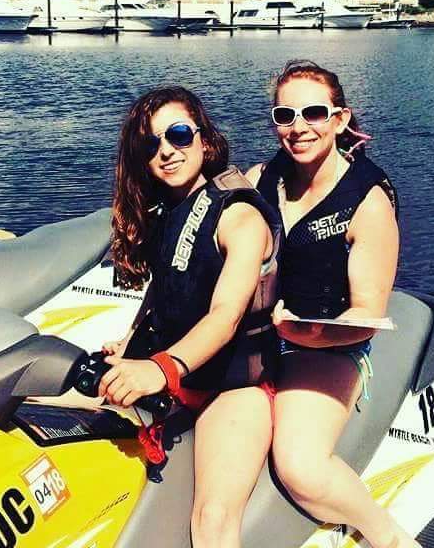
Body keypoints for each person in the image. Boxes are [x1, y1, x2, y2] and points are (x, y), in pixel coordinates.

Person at [246, 59, 419, 548]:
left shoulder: (368, 200)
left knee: (300, 467)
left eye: (314, 113)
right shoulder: (260, 179)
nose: (299, 127)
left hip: (326, 345)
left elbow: (366, 313)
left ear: (340, 120)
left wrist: (305, 332)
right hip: (258, 333)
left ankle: (386, 535)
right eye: (285, 115)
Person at [101, 86, 280, 548]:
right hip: (174, 373)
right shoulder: (169, 209)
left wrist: (158, 368)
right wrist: (131, 342)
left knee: (212, 520)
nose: (166, 150)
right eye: (151, 143)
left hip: (233, 388)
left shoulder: (239, 217)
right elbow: (170, 284)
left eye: (179, 134)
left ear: (204, 138)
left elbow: (225, 316)